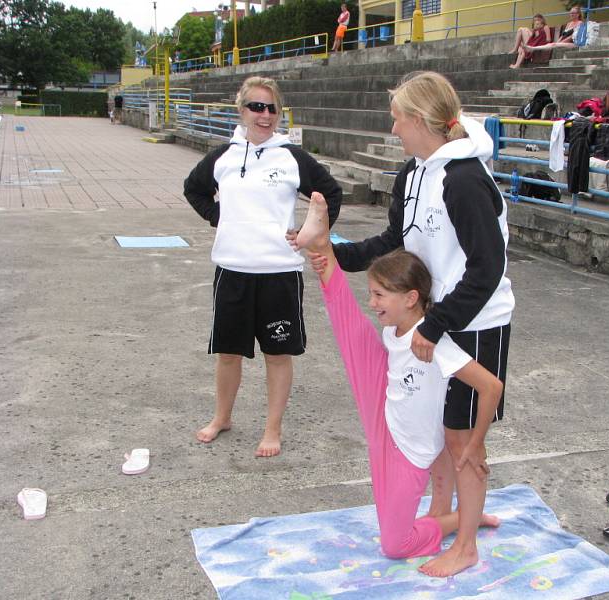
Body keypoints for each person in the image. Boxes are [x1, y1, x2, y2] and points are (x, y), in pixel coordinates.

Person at [318, 71, 515, 577]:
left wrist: (433, 326)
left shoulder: (467, 180)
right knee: (440, 431)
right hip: (440, 319)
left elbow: (487, 269)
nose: (393, 128)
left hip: (475, 323)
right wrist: (337, 257)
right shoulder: (414, 172)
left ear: (424, 120)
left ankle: (466, 544)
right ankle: (445, 515)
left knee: (462, 441)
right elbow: (394, 240)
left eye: (398, 118)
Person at [294, 193, 502, 568]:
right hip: (385, 423)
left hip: (409, 452)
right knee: (352, 334)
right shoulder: (395, 330)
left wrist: (475, 442)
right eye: (371, 293)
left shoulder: (434, 342)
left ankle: (463, 521)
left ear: (410, 298)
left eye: (378, 295)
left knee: (395, 544)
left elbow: (491, 387)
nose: (372, 303)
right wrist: (328, 264)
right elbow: (360, 328)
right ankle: (322, 246)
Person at [183, 76, 343, 457]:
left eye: (272, 108)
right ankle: (222, 417)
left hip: (278, 274)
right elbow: (193, 188)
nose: (265, 114)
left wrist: (309, 232)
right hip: (233, 270)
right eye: (257, 106)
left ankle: (273, 429)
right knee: (228, 353)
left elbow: (330, 194)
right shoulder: (223, 155)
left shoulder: (290, 157)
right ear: (241, 111)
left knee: (277, 354)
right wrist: (218, 216)